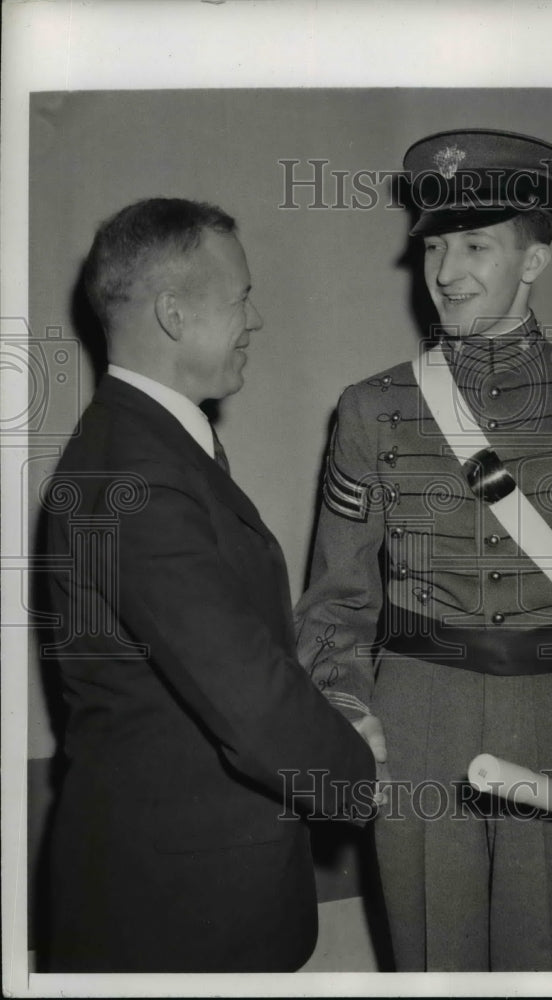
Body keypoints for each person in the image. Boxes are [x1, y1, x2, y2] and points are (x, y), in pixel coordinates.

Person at [294, 130, 552, 971]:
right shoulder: (370, 410)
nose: (447, 273)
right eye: (436, 247)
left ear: (533, 261)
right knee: (430, 967)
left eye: (477, 246)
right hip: (418, 718)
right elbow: (336, 608)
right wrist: (349, 720)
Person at [41, 198, 384, 973]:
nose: (254, 319)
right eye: (241, 298)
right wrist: (362, 780)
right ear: (171, 314)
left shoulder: (145, 448)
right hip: (180, 917)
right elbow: (247, 695)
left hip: (189, 894)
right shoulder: (140, 473)